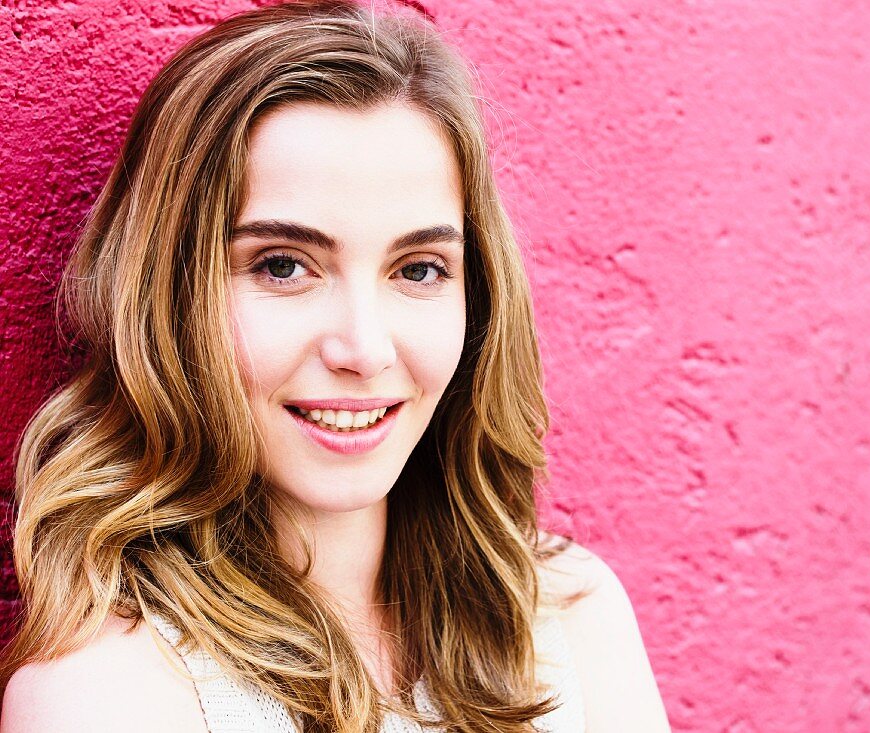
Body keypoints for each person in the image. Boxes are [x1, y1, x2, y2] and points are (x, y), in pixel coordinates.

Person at [0, 2, 670, 731]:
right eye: (284, 266)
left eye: (418, 269)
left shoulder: (570, 613)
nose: (366, 349)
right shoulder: (108, 693)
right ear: (170, 295)